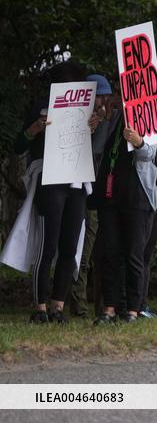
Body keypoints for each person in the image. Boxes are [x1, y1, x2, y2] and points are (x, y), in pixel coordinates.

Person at [7, 61, 90, 323]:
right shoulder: (42, 105)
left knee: (68, 247)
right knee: (48, 246)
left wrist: (93, 124)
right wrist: (36, 128)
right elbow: (19, 145)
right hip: (50, 180)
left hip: (76, 182)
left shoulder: (85, 109)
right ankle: (40, 307)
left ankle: (58, 306)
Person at [92, 93, 157, 324]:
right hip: (110, 195)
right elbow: (97, 148)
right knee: (110, 252)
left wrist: (139, 141)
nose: (120, 100)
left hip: (137, 196)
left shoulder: (150, 115)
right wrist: (104, 120)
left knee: (134, 254)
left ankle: (132, 308)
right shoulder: (113, 118)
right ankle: (109, 308)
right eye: (117, 96)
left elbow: (150, 155)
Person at [69, 74, 114, 317]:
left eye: (104, 97)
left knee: (105, 254)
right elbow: (95, 148)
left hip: (104, 194)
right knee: (82, 253)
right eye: (98, 97)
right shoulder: (79, 120)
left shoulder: (110, 119)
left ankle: (103, 307)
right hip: (84, 193)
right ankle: (79, 307)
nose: (101, 102)